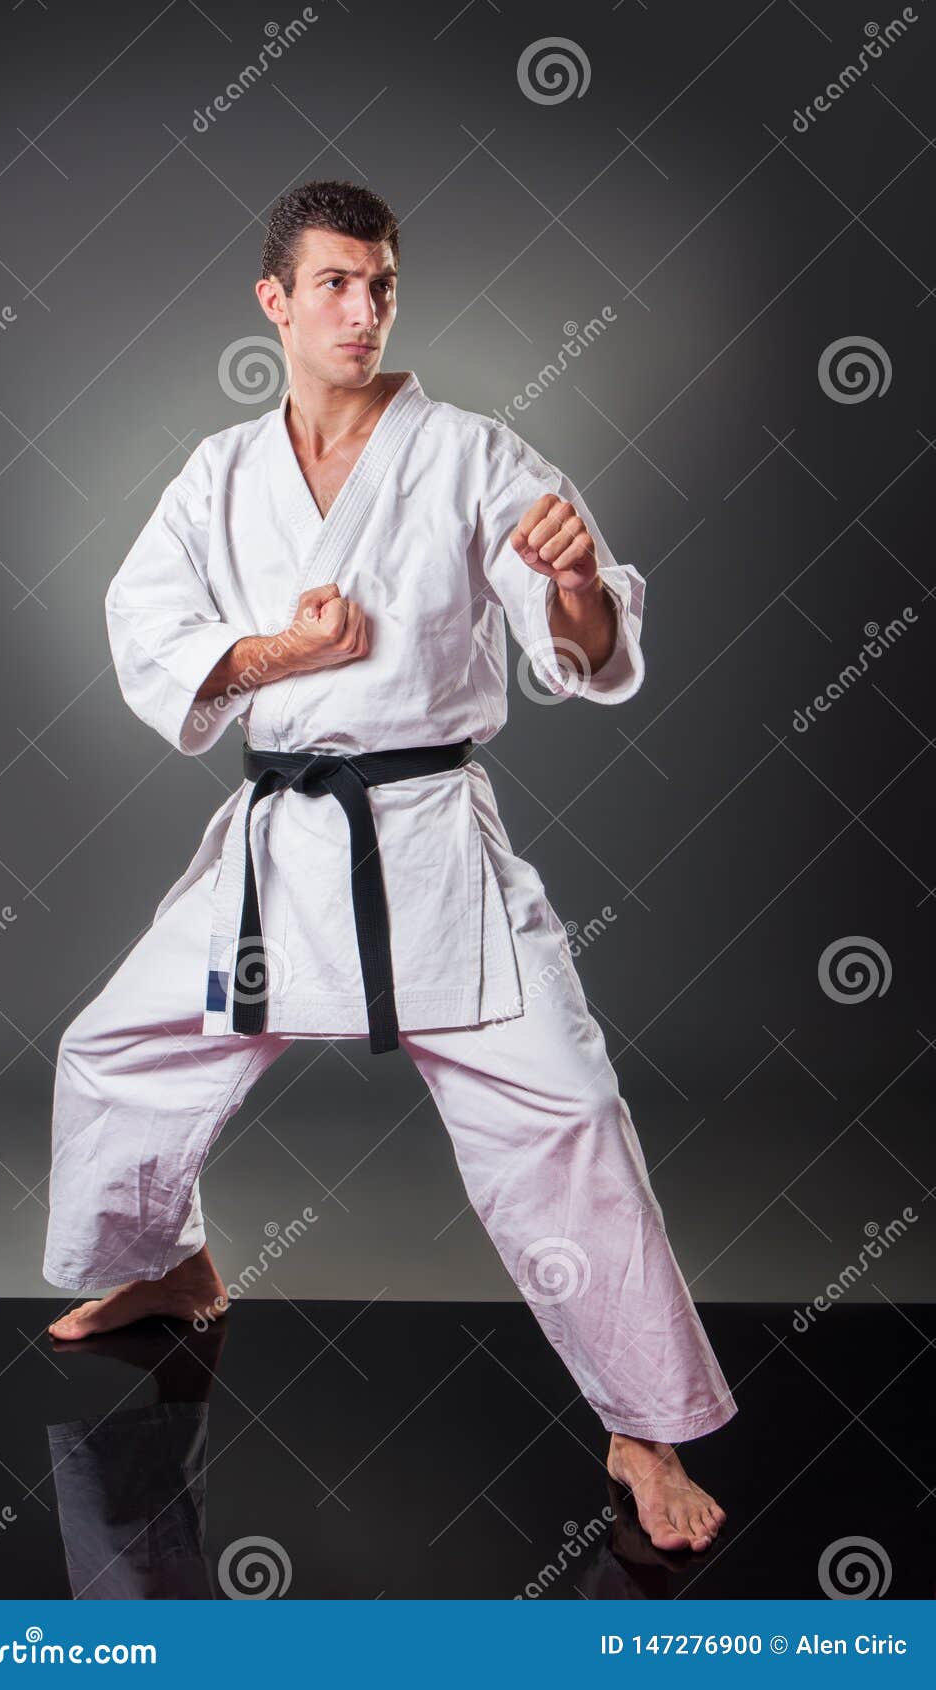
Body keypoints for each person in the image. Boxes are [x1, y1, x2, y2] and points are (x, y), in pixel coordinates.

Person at [43, 180, 735, 1554]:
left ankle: (643, 1423)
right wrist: (278, 659)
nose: (362, 310)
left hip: (430, 846)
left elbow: (582, 650)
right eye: (336, 284)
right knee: (115, 1050)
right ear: (277, 303)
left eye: (383, 284)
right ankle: (164, 1262)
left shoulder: (476, 455)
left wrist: (584, 583)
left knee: (571, 1117)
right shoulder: (219, 475)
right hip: (280, 844)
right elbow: (148, 628)